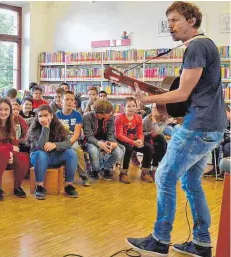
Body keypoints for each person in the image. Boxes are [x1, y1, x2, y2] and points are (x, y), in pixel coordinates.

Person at [127, 2, 227, 256]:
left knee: (164, 176)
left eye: (175, 20)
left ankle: (160, 239)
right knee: (191, 181)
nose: (170, 26)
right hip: (210, 125)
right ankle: (202, 243)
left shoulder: (196, 46)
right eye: (168, 21)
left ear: (192, 20)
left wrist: (147, 100)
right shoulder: (205, 45)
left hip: (198, 126)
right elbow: (192, 96)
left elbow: (182, 92)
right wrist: (165, 107)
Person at [27, 105, 79, 200]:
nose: (43, 118)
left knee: (72, 153)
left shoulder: (58, 126)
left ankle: (68, 186)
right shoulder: (34, 128)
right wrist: (45, 127)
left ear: (51, 115)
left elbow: (68, 143)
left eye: (46, 115)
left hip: (54, 156)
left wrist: (55, 145)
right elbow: (41, 147)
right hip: (39, 157)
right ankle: (39, 187)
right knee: (41, 154)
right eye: (40, 116)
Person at [82, 99, 124, 182]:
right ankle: (94, 171)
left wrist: (112, 143)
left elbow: (110, 134)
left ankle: (105, 169)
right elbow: (89, 136)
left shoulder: (111, 118)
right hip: (90, 141)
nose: (111, 114)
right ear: (101, 113)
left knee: (119, 152)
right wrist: (99, 143)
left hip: (105, 141)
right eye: (109, 112)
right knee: (94, 151)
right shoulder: (87, 117)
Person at [115, 97, 155, 184]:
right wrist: (133, 142)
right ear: (124, 107)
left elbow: (140, 133)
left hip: (134, 140)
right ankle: (123, 173)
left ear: (136, 107)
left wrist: (140, 140)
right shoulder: (119, 118)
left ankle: (145, 172)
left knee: (149, 148)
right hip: (122, 141)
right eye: (129, 106)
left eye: (133, 106)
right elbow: (119, 135)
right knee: (128, 148)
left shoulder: (138, 117)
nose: (131, 108)